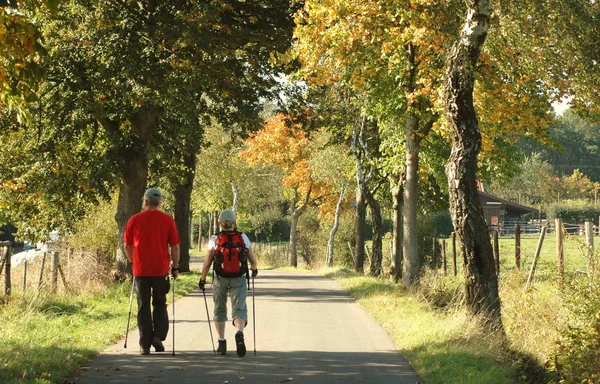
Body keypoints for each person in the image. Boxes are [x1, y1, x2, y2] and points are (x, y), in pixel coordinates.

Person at [124, 187, 181, 355]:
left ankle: (144, 345)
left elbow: (127, 245)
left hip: (141, 270)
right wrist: (175, 267)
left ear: (145, 201)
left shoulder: (134, 220)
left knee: (143, 305)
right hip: (160, 269)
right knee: (160, 303)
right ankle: (158, 336)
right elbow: (175, 246)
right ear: (159, 202)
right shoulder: (167, 220)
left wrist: (134, 262)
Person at [199, 209, 258, 357]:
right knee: (239, 309)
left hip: (220, 277)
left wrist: (203, 278)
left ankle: (221, 342)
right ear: (234, 222)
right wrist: (254, 269)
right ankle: (239, 332)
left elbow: (207, 262)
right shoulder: (242, 237)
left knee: (219, 309)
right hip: (239, 277)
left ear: (220, 222)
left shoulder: (215, 239)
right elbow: (252, 258)